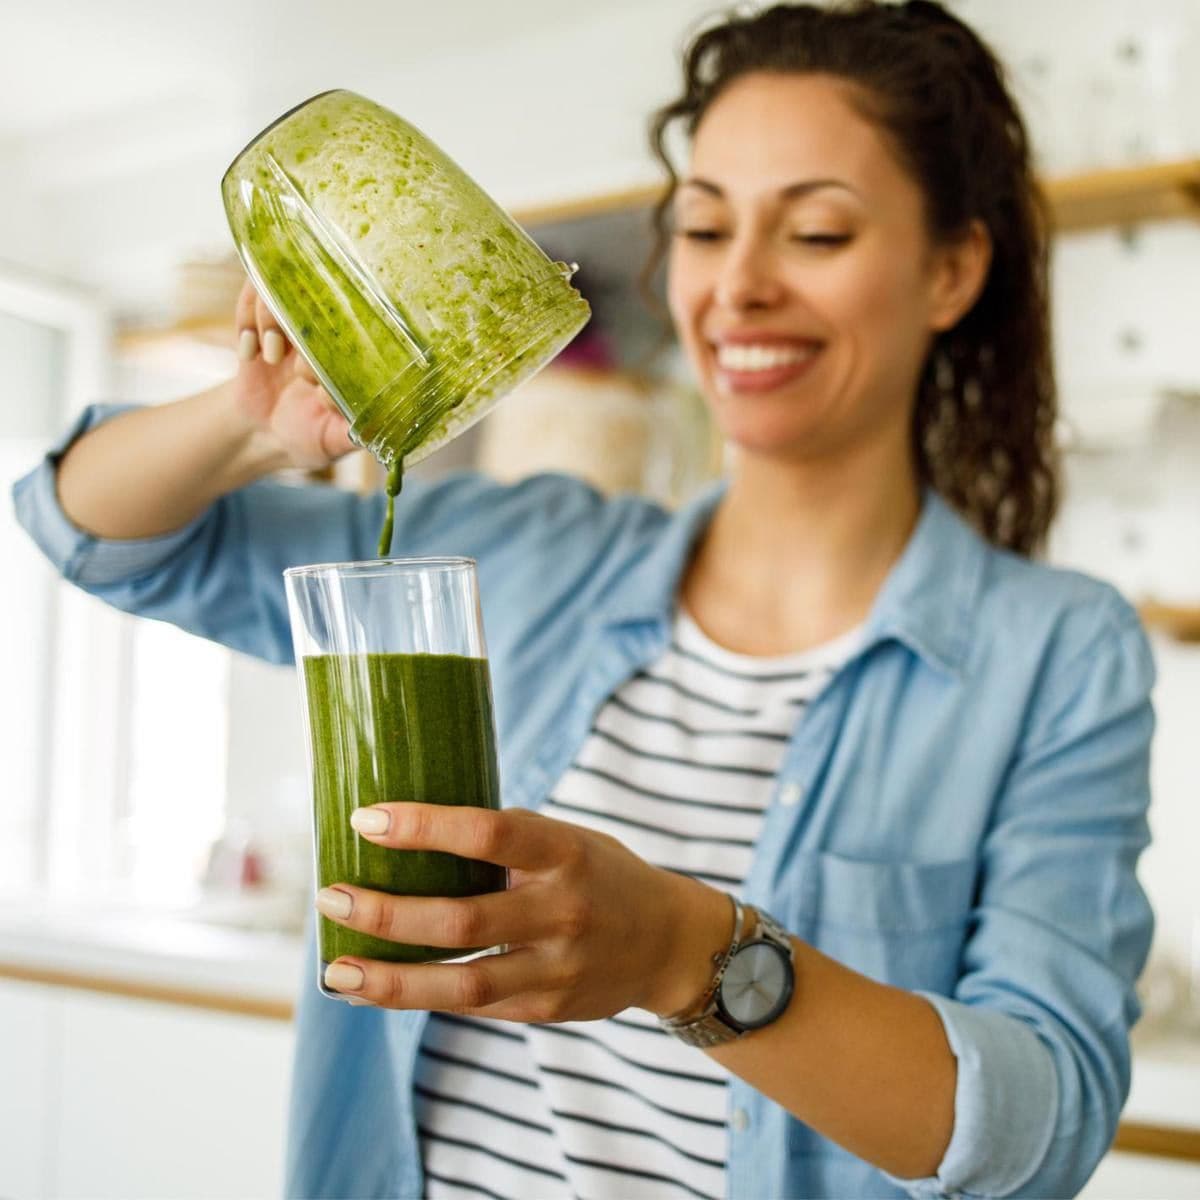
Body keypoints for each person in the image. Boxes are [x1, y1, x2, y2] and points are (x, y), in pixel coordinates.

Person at [14, 2, 1154, 1197]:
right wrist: (251, 421)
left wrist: (683, 953)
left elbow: (1042, 1125)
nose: (740, 285)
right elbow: (94, 532)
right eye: (707, 227)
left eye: (816, 232)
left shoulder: (1057, 655)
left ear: (953, 268)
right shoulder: (522, 552)